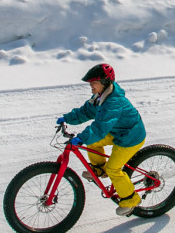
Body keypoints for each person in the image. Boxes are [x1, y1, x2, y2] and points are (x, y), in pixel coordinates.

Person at [57, 63, 146, 215]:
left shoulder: (113, 103)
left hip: (130, 137)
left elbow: (100, 127)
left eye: (94, 83)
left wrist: (82, 138)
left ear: (105, 83)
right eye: (90, 83)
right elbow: (86, 111)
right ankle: (98, 169)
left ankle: (131, 199)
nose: (91, 86)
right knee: (93, 143)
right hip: (117, 131)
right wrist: (67, 118)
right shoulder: (100, 96)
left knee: (113, 168)